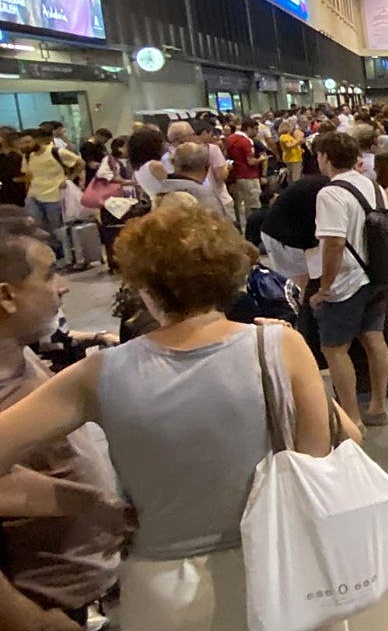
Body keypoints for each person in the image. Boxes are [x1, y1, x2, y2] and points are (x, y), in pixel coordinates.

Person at [0, 204, 360, 631]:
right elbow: (323, 455)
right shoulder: (281, 346)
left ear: (144, 287)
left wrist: (85, 502)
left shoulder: (98, 375)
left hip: (165, 587)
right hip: (281, 567)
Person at [0, 230, 128, 630]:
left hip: (84, 592)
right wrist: (31, 620)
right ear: (7, 296)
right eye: (49, 274)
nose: (63, 286)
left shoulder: (20, 352)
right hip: (45, 605)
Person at [308, 132, 388, 431]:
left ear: (325, 158)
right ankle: (379, 406)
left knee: (335, 349)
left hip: (347, 281)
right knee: (373, 338)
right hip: (376, 274)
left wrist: (324, 288)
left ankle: (351, 419)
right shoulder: (372, 185)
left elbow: (333, 243)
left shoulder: (330, 194)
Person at [260, 171, 330, 290]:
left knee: (308, 280)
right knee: (297, 285)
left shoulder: (325, 185)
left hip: (296, 233)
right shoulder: (328, 190)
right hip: (284, 237)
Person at [20, 129, 82, 261]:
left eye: (28, 142)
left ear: (37, 139)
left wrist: (69, 178)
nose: (25, 146)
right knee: (38, 228)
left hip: (54, 195)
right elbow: (28, 175)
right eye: (22, 143)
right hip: (34, 195)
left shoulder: (56, 152)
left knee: (57, 228)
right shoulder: (28, 156)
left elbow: (80, 163)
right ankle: (50, 255)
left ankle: (65, 256)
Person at [158, 142, 225, 214]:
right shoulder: (205, 196)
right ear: (206, 167)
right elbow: (219, 220)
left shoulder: (161, 192)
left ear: (174, 163)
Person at [226, 119, 265, 231]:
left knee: (240, 206)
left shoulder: (230, 138)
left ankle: (243, 229)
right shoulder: (246, 141)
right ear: (248, 128)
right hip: (249, 176)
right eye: (255, 129)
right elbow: (251, 161)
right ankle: (253, 229)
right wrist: (261, 159)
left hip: (236, 175)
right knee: (253, 205)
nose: (256, 132)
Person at [277, 118, 304, 184]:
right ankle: (296, 186)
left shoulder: (288, 136)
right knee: (295, 174)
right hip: (293, 158)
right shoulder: (284, 136)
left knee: (291, 173)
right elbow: (289, 145)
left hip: (293, 157)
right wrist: (298, 142)